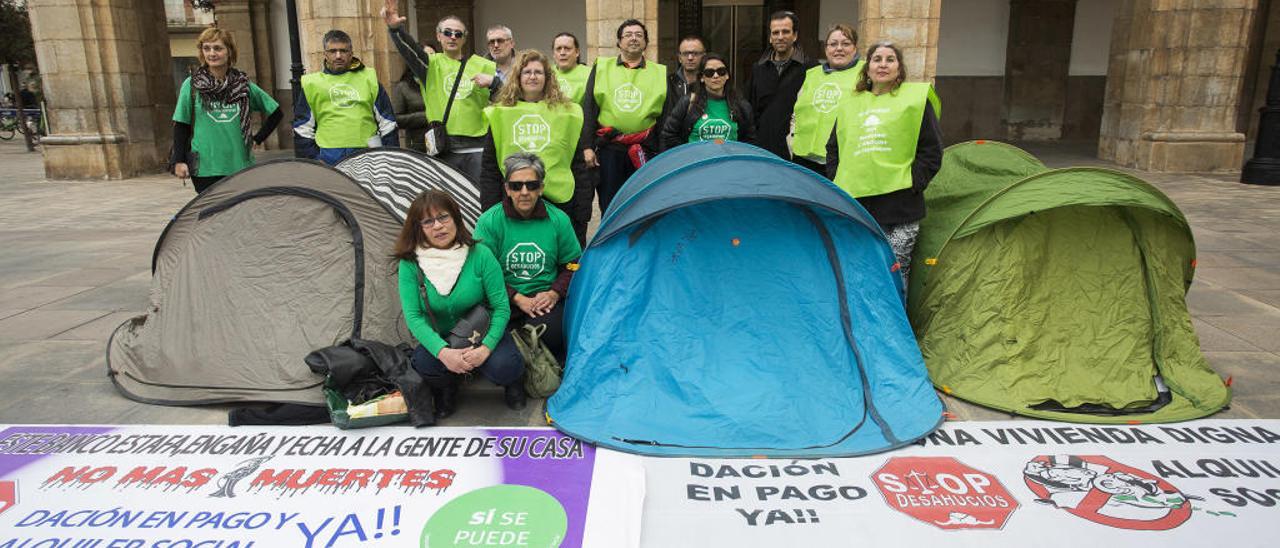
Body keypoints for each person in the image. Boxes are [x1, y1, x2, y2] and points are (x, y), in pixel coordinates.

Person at [395, 190, 526, 419]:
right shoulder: (410, 264)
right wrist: (443, 352)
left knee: (505, 366)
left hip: (481, 331)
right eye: (428, 221)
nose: (438, 226)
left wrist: (486, 348)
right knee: (424, 364)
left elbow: (501, 307)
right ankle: (448, 387)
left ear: (456, 218)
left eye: (444, 217)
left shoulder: (480, 254)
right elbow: (414, 317)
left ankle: (513, 383)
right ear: (418, 228)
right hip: (442, 337)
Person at [826, 41, 942, 286]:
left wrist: (913, 182)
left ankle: (895, 322)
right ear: (867, 68)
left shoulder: (915, 101)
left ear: (899, 69)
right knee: (859, 268)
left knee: (895, 272)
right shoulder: (851, 104)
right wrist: (841, 178)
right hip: (858, 205)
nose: (883, 64)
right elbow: (833, 147)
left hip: (900, 206)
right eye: (877, 59)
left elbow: (931, 151)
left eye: (890, 59)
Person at [473, 152, 582, 359]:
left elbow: (574, 265)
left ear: (541, 188)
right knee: (502, 357)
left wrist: (554, 293)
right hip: (502, 303)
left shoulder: (559, 220)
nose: (524, 192)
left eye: (531, 185)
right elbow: (480, 273)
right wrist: (516, 297)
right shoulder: (489, 222)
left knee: (555, 333)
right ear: (507, 189)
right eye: (516, 186)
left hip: (544, 303)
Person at [481, 50, 590, 245]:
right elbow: (489, 166)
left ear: (548, 77)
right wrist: (489, 208)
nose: (532, 76)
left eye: (538, 72)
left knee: (561, 259)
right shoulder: (500, 114)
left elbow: (577, 164)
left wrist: (582, 212)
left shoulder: (567, 113)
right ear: (517, 77)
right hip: (515, 198)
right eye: (527, 72)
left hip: (558, 200)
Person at [384, 1, 497, 181]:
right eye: (447, 33)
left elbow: (506, 96)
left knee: (478, 200)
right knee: (447, 202)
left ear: (464, 38)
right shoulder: (431, 64)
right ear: (438, 36)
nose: (452, 37)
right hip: (445, 147)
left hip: (477, 148)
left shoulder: (483, 65)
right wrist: (396, 30)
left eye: (458, 34)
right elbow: (411, 52)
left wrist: (494, 82)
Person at [170, 27, 282, 192]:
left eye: (218, 48)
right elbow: (181, 124)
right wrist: (178, 161)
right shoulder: (192, 85)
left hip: (240, 165)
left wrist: (258, 138)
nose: (212, 53)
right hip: (206, 167)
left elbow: (276, 113)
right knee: (213, 215)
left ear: (229, 52)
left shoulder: (243, 85)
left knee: (240, 214)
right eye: (206, 48)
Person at [580, 19, 668, 214]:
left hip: (646, 149)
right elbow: (589, 108)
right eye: (628, 35)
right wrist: (587, 147)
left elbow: (665, 117)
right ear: (619, 42)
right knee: (610, 203)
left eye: (639, 35)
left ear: (646, 42)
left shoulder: (659, 72)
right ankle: (612, 242)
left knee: (644, 203)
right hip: (610, 147)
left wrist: (663, 153)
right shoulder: (602, 67)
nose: (634, 39)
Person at [292, 29, 399, 165]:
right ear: (325, 54)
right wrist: (314, 160)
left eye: (343, 51)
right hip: (327, 158)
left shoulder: (368, 78)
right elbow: (302, 128)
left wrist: (390, 157)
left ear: (351, 53)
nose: (338, 56)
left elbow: (387, 122)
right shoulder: (311, 84)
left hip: (367, 157)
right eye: (333, 51)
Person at [790, 23, 863, 174]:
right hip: (805, 158)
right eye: (833, 44)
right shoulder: (812, 74)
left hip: (842, 160)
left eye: (846, 44)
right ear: (826, 49)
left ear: (855, 48)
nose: (839, 48)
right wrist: (791, 141)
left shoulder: (865, 74)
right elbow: (797, 111)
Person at [749, 10, 817, 160]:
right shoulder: (758, 68)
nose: (780, 37)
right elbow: (752, 109)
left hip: (796, 151)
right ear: (770, 37)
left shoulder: (811, 69)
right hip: (763, 149)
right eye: (775, 32)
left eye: (785, 31)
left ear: (795, 35)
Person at [661, 53, 755, 151]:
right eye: (709, 73)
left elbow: (750, 142)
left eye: (721, 71)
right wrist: (687, 154)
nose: (715, 76)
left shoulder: (742, 106)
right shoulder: (688, 102)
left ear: (727, 76)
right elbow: (668, 135)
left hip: (729, 164)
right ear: (702, 78)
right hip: (696, 164)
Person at [390, 66, 428, 152]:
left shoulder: (439, 83)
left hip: (442, 141)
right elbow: (396, 119)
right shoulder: (403, 87)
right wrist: (424, 117)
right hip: (417, 144)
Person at [666, 35, 705, 108]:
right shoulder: (667, 84)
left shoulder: (710, 82)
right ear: (680, 58)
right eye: (685, 54)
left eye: (695, 53)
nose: (690, 58)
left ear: (703, 56)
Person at [552, 32, 589, 104]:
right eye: (558, 49)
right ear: (553, 54)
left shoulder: (590, 74)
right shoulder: (546, 73)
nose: (562, 53)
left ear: (577, 52)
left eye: (567, 48)